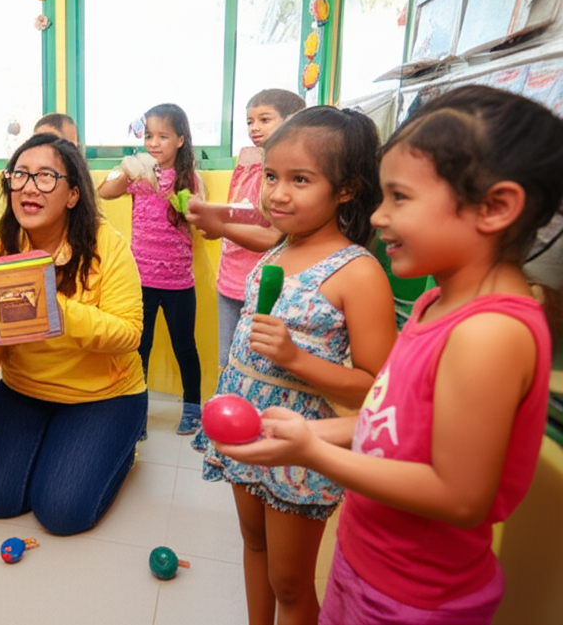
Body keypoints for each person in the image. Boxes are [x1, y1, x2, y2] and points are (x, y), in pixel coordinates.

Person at [215, 86, 563, 625]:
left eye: (399, 198)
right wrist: (298, 436)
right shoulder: (432, 304)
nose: (378, 217)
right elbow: (386, 416)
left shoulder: (491, 332)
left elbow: (459, 494)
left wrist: (313, 449)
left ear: (495, 208)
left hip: (414, 595)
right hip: (366, 563)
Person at [199, 107, 398, 625]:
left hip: (300, 441)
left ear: (347, 189)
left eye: (300, 179)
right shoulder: (279, 250)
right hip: (246, 425)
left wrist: (295, 358)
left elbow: (375, 391)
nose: (277, 193)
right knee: (253, 544)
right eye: (271, 176)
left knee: (289, 580)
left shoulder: (358, 272)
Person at [0, 133, 148, 536]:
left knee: (61, 512)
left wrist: (54, 306)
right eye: (19, 175)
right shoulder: (1, 247)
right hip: (25, 388)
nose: (29, 187)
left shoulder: (106, 244)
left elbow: (130, 333)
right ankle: (58, 444)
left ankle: (123, 448)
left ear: (72, 194)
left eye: (45, 177)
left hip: (102, 396)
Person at [187, 89, 305, 452]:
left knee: (262, 365)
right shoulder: (250, 161)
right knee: (229, 360)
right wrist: (216, 217)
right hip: (230, 280)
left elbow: (272, 235)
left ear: (294, 121)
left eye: (265, 119)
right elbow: (242, 211)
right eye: (250, 120)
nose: (254, 128)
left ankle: (256, 430)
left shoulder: (289, 174)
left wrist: (219, 224)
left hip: (264, 287)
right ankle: (223, 426)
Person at [98, 103, 204, 436]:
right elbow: (104, 190)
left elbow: (198, 217)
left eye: (163, 136)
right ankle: (137, 412)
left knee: (183, 346)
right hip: (140, 280)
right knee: (138, 348)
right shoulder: (138, 176)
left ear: (181, 140)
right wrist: (126, 169)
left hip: (178, 283)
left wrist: (178, 197)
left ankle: (193, 408)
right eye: (148, 136)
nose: (154, 143)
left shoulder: (189, 177)